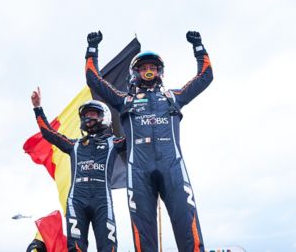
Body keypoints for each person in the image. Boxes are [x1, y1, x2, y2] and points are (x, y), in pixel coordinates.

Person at [84, 31, 213, 252]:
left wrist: (199, 47)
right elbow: (94, 80)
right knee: (144, 234)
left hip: (173, 169)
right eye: (143, 68)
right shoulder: (125, 100)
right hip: (139, 172)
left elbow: (205, 77)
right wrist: (92, 50)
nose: (148, 71)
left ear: (159, 71)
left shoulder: (173, 97)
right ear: (135, 73)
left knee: (187, 226)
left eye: (152, 67)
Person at [30, 87, 126, 252]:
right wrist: (37, 108)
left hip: (102, 202)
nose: (88, 117)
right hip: (76, 202)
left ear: (104, 117)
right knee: (75, 249)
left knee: (108, 248)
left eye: (92, 113)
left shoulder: (113, 143)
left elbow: (138, 135)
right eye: (85, 114)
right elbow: (49, 134)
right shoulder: (74, 145)